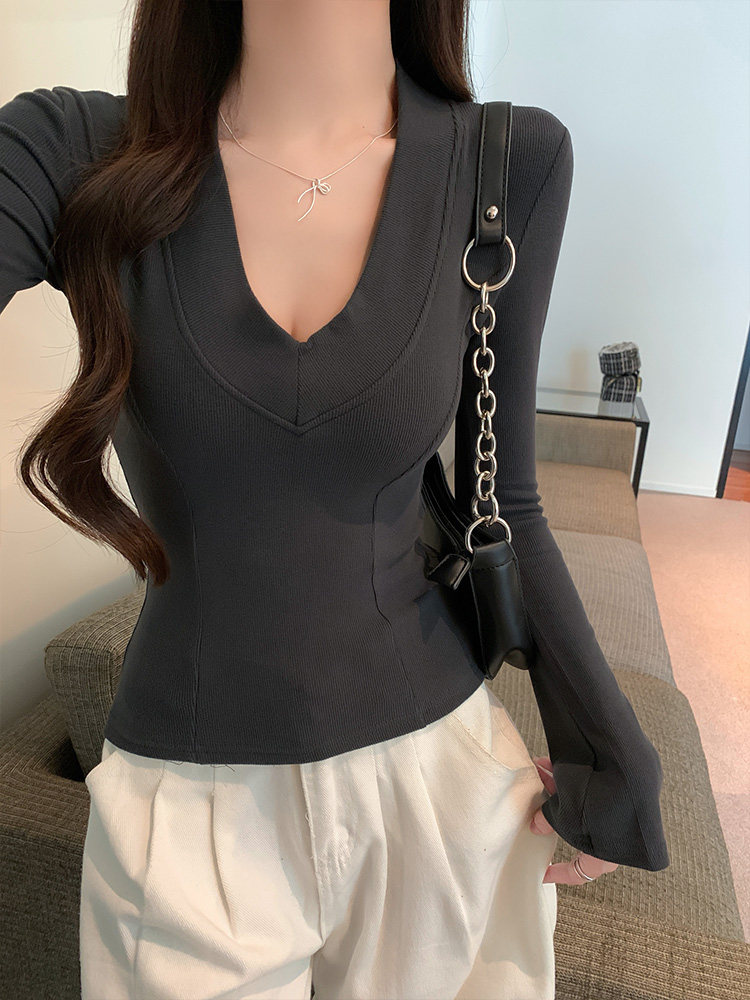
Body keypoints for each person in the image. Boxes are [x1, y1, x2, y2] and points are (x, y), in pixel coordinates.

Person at [0, 1, 668, 998]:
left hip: (437, 787)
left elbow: (506, 499)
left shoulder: (506, 163)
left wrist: (613, 751)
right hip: (186, 808)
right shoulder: (73, 153)